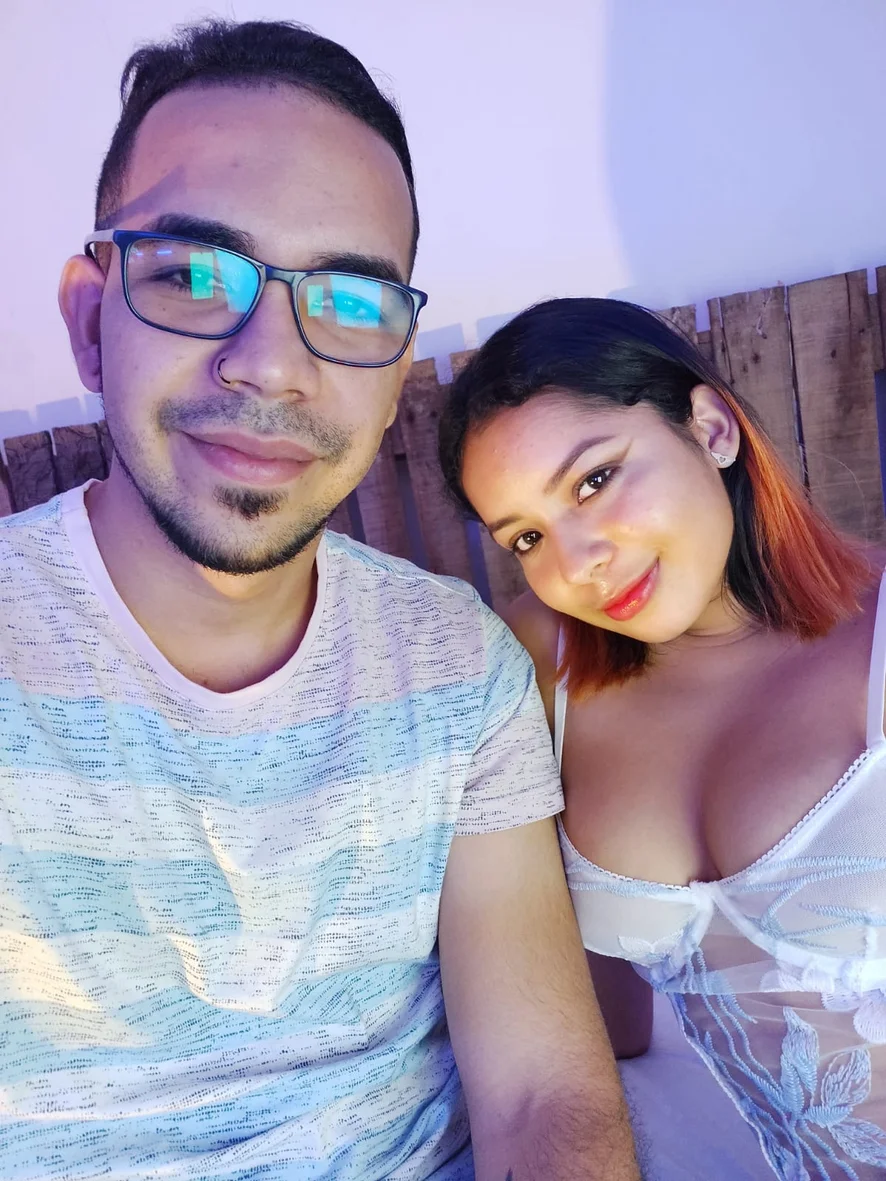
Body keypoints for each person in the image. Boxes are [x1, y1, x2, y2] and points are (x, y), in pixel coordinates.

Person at [0, 23, 639, 1181]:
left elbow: (540, 1091)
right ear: (91, 323)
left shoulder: (459, 669)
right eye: (193, 273)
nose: (272, 364)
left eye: (349, 299)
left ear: (393, 376)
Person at [439, 295, 886, 1180]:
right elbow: (604, 1029)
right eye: (526, 536)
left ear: (711, 427)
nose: (576, 563)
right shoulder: (543, 667)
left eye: (594, 479)